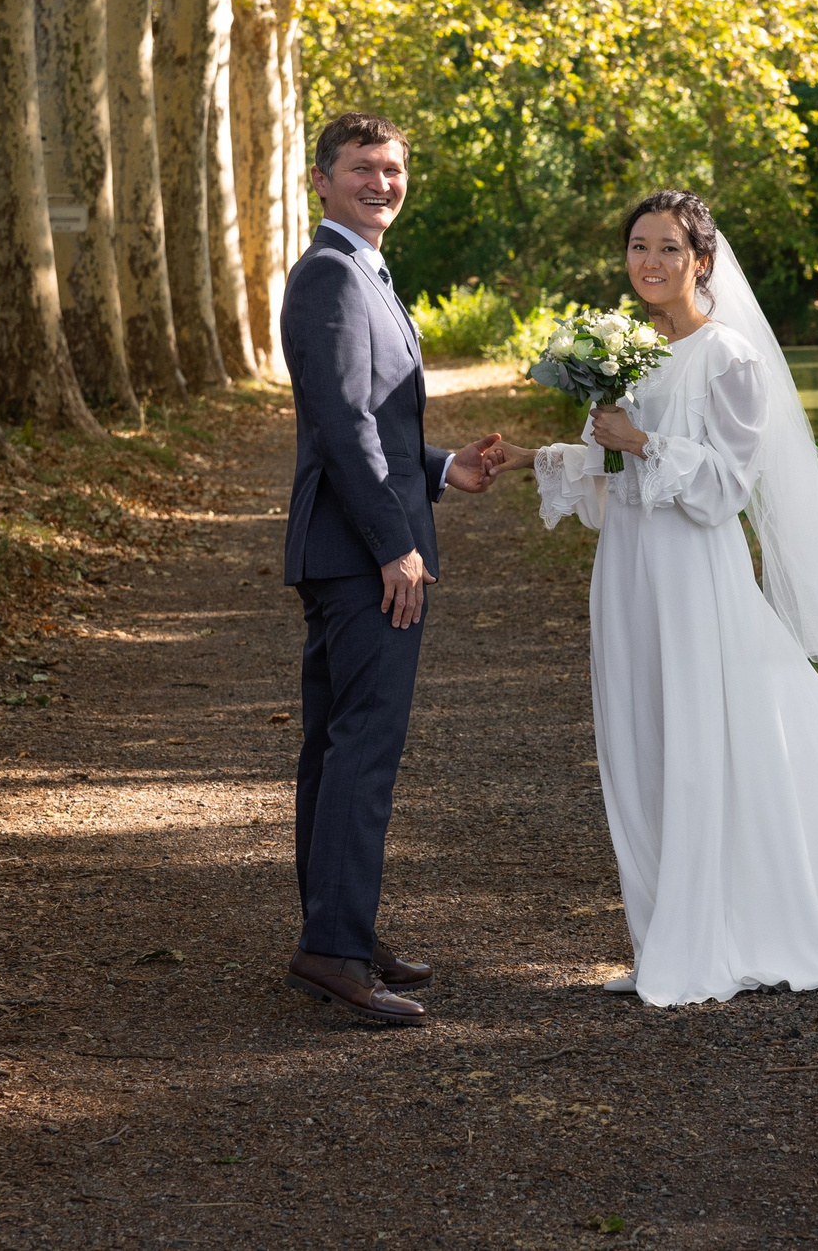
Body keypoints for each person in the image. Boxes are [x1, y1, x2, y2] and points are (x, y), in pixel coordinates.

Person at [485, 191, 818, 1005]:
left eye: (668, 247)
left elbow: (728, 484)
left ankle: (723, 934)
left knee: (710, 742)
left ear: (702, 260)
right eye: (637, 246)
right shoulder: (625, 352)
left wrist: (644, 440)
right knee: (642, 737)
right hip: (628, 572)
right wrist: (534, 456)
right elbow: (616, 470)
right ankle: (667, 929)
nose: (651, 262)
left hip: (695, 572)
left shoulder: (729, 357)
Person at [278, 112, 501, 1026]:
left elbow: (382, 416)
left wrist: (446, 468)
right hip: (359, 557)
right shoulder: (329, 276)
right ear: (322, 182)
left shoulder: (363, 271)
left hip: (353, 549)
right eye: (364, 168)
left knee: (339, 751)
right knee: (361, 753)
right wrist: (392, 544)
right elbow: (341, 425)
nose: (383, 182)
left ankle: (341, 931)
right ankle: (332, 950)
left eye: (396, 168)